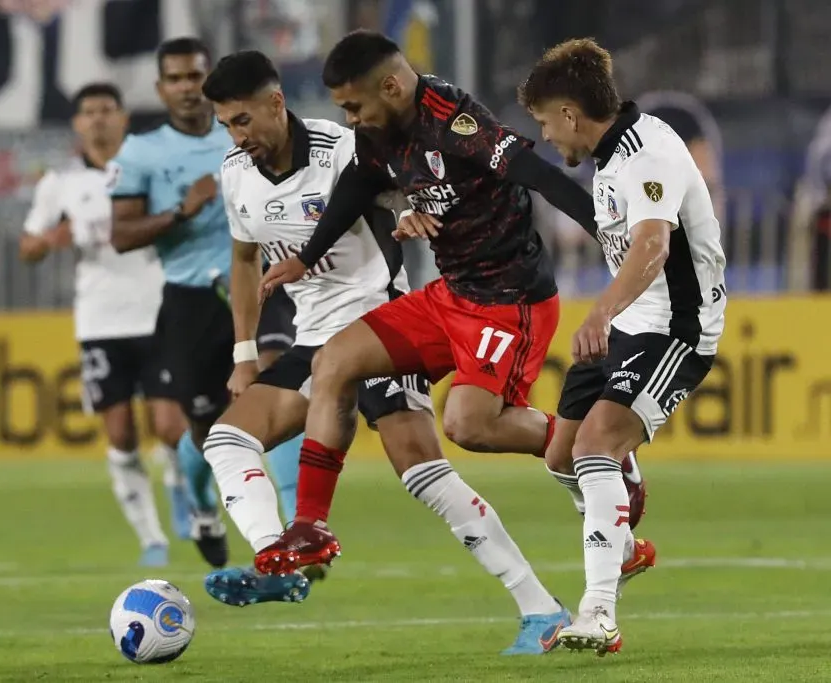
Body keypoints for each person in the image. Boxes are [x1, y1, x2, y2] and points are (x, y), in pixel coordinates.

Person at [197, 50, 572, 655]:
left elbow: (413, 178)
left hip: (377, 322)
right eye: (225, 126)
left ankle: (541, 607)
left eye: (243, 121)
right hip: (313, 336)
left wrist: (412, 211)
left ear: (275, 104)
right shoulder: (236, 173)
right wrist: (245, 353)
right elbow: (244, 261)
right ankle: (279, 559)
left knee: (424, 472)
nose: (238, 138)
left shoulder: (344, 143)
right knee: (226, 439)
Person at [256, 31, 645, 588]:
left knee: (468, 425)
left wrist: (607, 235)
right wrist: (306, 257)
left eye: (353, 106)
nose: (349, 118)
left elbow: (539, 176)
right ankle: (310, 525)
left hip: (509, 302)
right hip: (452, 295)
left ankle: (599, 453)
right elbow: (359, 181)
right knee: (333, 362)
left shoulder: (456, 122)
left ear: (391, 86)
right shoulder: (379, 130)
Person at [518, 38, 726, 655]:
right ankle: (626, 545)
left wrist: (601, 311)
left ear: (570, 114)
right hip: (631, 320)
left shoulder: (651, 150)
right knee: (561, 456)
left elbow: (653, 247)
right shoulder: (609, 158)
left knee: (594, 448)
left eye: (545, 123)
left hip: (676, 327)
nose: (549, 137)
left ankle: (598, 615)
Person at [107, 38, 304, 567]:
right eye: (175, 79)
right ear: (160, 88)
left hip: (264, 284)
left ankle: (290, 521)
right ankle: (200, 502)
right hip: (191, 300)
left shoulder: (248, 133)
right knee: (205, 425)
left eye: (195, 76)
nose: (187, 88)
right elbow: (121, 235)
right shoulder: (142, 153)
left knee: (276, 382)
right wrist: (180, 211)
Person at [19, 82, 189, 566]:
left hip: (158, 310)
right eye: (88, 112)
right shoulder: (60, 183)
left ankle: (179, 486)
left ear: (123, 117)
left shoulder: (149, 168)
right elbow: (28, 247)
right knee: (119, 434)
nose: (97, 119)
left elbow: (179, 222)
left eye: (106, 110)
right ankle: (151, 538)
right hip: (100, 320)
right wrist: (54, 238)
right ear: (77, 123)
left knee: (171, 427)